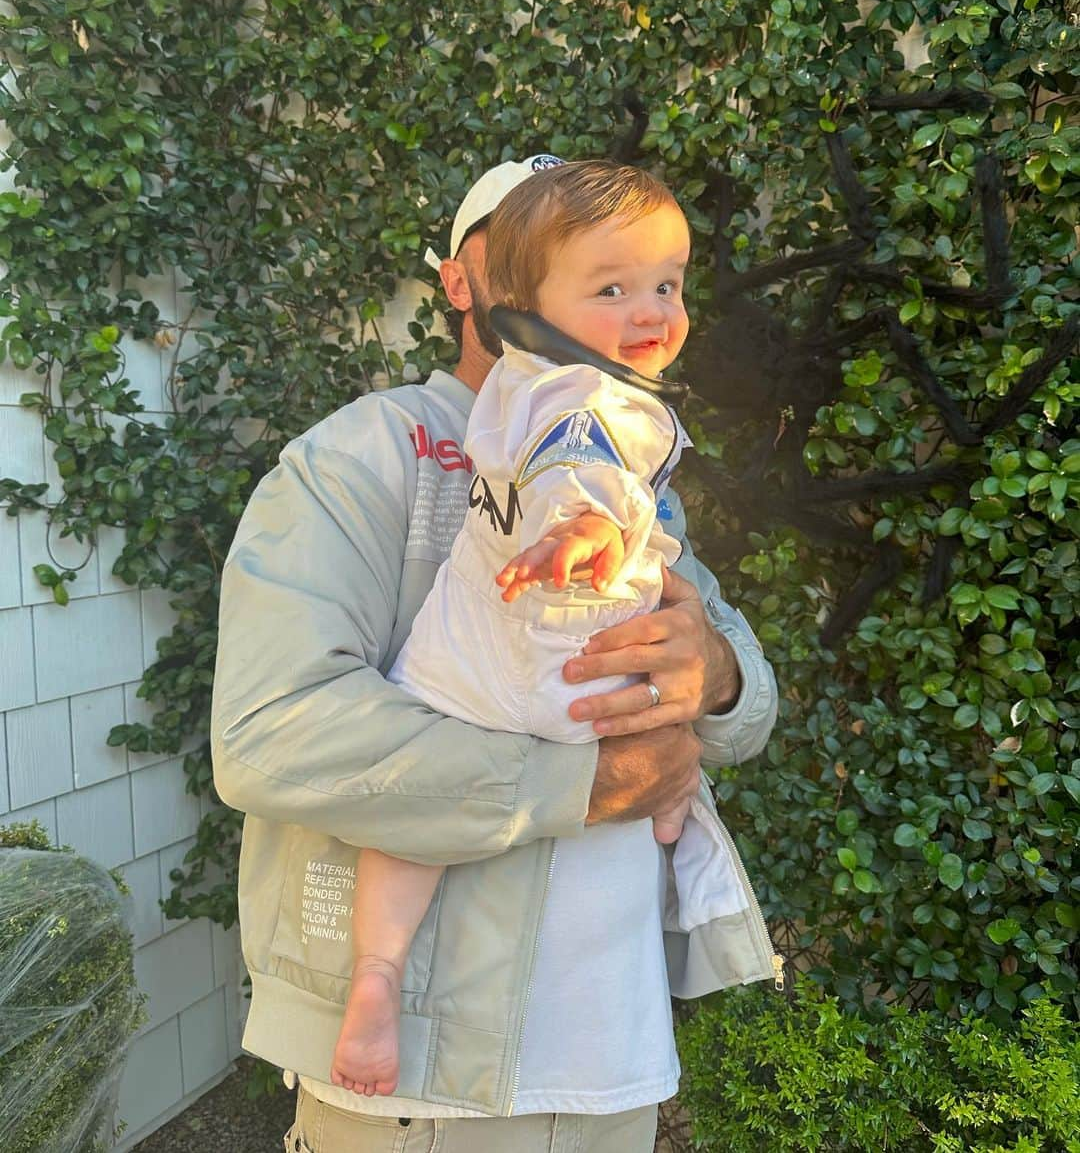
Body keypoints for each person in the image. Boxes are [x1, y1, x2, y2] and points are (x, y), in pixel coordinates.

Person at [211, 150, 780, 1153]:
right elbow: (268, 736)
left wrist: (717, 675)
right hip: (424, 1082)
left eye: (639, 276)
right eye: (574, 269)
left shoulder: (637, 471)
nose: (621, 303)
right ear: (475, 282)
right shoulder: (361, 456)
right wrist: (581, 783)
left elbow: (743, 704)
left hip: (613, 1055)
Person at [330, 160, 701, 1097]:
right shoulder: (592, 402)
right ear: (481, 285)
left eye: (665, 284)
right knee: (649, 741)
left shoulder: (525, 386)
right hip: (566, 683)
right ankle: (667, 804)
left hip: (463, 659)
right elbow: (589, 470)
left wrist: (720, 673)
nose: (650, 309)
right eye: (609, 286)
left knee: (404, 845)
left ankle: (374, 969)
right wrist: (584, 531)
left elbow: (735, 673)